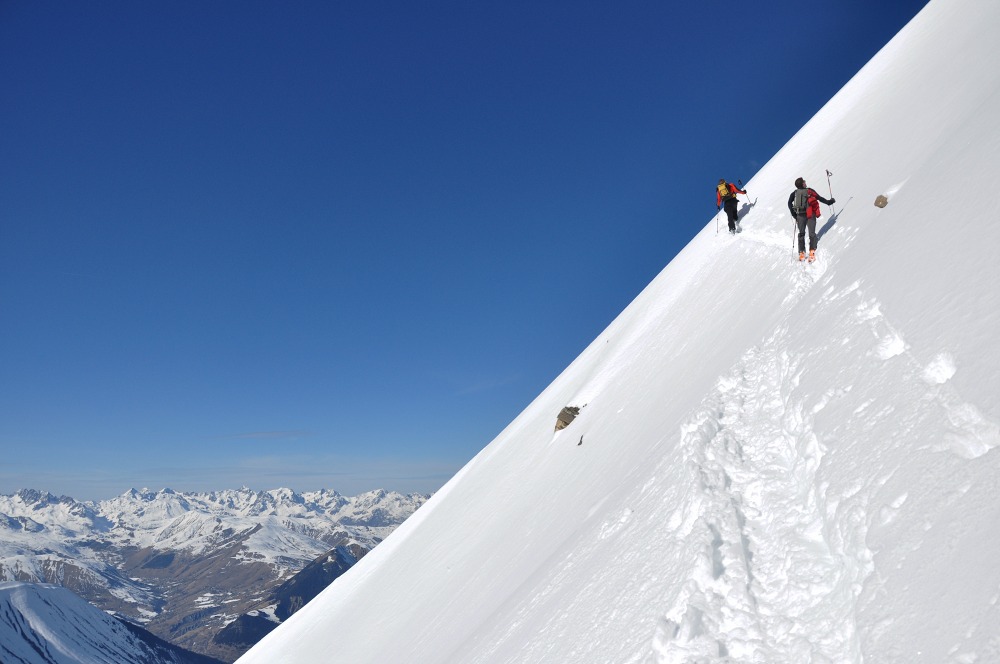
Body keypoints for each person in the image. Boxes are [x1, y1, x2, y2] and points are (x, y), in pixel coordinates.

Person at [787, 176, 835, 262]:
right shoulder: (809, 191)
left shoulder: (794, 193)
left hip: (799, 215)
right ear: (802, 183)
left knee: (801, 233)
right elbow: (819, 198)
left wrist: (794, 214)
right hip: (810, 215)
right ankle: (812, 250)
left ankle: (801, 252)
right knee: (812, 233)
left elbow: (789, 203)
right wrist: (829, 202)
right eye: (804, 181)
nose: (805, 182)